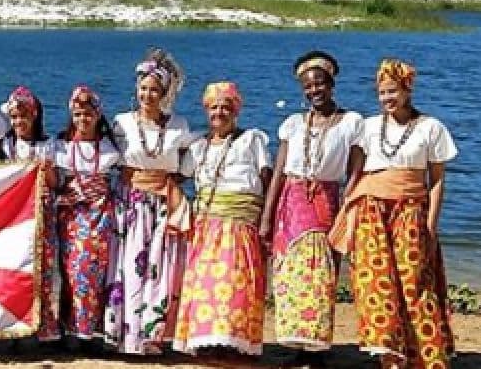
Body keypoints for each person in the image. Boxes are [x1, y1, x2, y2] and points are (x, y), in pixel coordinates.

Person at [329, 59, 456, 369]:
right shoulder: (369, 126)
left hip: (411, 209)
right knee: (375, 282)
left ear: (407, 90)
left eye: (392, 91)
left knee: (414, 280)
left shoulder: (431, 128)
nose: (386, 98)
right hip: (371, 208)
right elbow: (356, 171)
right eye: (381, 92)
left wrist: (431, 223)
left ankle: (426, 355)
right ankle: (389, 354)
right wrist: (347, 209)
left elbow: (436, 180)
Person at [260, 51, 364, 363]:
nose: (313, 91)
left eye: (319, 84)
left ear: (331, 85)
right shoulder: (292, 124)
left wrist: (349, 209)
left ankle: (317, 348)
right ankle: (294, 346)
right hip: (290, 203)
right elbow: (278, 172)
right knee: (289, 275)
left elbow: (356, 172)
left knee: (320, 274)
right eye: (307, 86)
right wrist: (267, 215)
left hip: (325, 201)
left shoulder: (350, 123)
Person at [105, 49, 193, 356]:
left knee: (160, 268)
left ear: (165, 92)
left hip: (163, 204)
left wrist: (163, 184)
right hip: (129, 203)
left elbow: (188, 165)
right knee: (128, 266)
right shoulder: (121, 123)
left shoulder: (180, 126)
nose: (148, 94)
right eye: (143, 88)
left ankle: (153, 337)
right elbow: (106, 158)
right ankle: (124, 337)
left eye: (154, 89)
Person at [174, 82, 271, 359]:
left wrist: (268, 219)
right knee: (206, 285)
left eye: (226, 107)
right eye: (214, 107)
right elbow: (179, 177)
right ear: (206, 111)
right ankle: (207, 341)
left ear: (236, 111)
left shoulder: (252, 139)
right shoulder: (198, 147)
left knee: (235, 283)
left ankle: (233, 342)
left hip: (240, 224)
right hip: (206, 225)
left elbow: (266, 178)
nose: (220, 113)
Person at [54, 85, 120, 345]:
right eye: (78, 115)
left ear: (97, 115)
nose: (83, 119)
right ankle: (74, 328)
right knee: (73, 270)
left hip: (101, 216)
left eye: (88, 114)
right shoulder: (61, 147)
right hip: (72, 218)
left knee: (99, 272)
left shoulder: (107, 149)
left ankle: (94, 330)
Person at [2, 86, 60, 343]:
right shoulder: (6, 147)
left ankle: (44, 328)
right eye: (14, 117)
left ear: (34, 116)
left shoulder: (48, 146)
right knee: (13, 270)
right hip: (14, 220)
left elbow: (57, 182)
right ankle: (13, 328)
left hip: (42, 219)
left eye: (23, 116)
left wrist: (46, 171)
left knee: (44, 270)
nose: (18, 122)